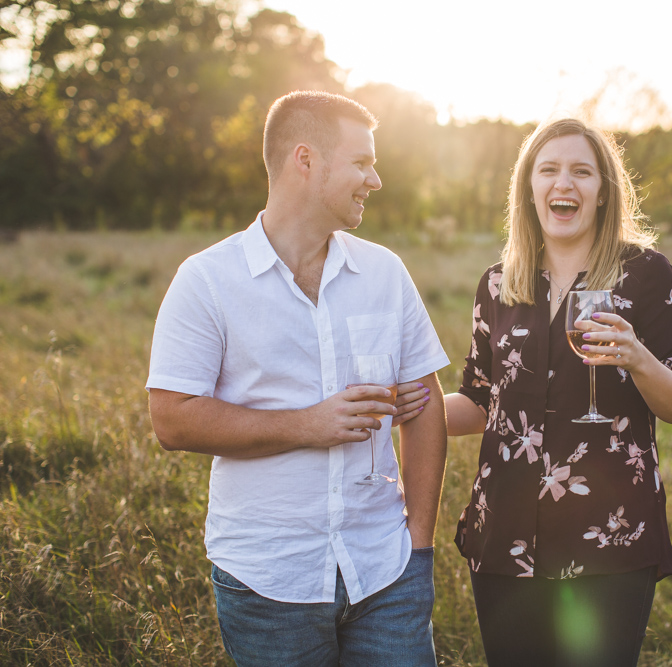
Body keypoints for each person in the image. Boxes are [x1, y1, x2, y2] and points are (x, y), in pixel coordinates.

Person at [146, 91, 448, 667]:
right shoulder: (206, 281)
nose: (375, 180)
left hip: (386, 569)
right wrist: (307, 425)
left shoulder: (385, 272)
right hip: (267, 580)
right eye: (361, 162)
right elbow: (171, 419)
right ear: (305, 160)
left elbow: (425, 400)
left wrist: (419, 542)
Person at [436, 118, 672, 666]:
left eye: (582, 171)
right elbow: (481, 402)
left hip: (608, 538)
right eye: (549, 170)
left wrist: (637, 357)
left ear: (603, 191)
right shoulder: (499, 282)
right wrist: (402, 407)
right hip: (505, 537)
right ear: (528, 187)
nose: (564, 183)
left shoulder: (646, 275)